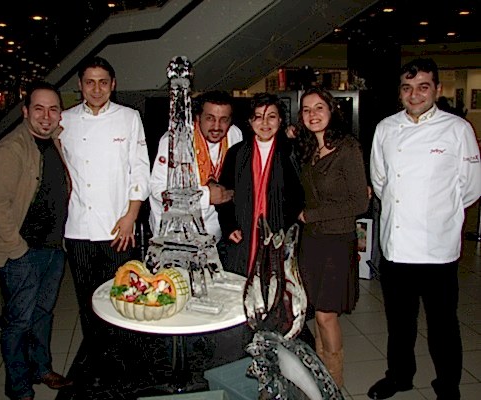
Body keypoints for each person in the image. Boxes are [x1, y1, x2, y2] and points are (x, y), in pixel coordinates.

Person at [368, 58, 481, 400]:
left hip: (438, 249)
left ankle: (448, 385)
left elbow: (471, 188)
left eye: (423, 87)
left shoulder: (458, 129)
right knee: (399, 323)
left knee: (443, 325)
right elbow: (380, 181)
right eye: (407, 88)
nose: (414, 95)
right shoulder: (386, 128)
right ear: (399, 92)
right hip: (397, 246)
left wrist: (438, 214)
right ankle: (399, 376)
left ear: (437, 89)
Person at [0, 81, 72, 400]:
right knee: (18, 322)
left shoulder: (54, 142)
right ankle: (18, 387)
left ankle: (41, 368)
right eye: (39, 109)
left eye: (53, 109)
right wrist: (19, 252)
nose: (46, 116)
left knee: (43, 315)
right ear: (25, 111)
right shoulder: (10, 149)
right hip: (23, 252)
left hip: (53, 249)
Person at [59, 57, 150, 359]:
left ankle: (125, 356)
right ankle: (97, 358)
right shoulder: (64, 120)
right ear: (80, 85)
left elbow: (140, 170)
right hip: (78, 228)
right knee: (87, 300)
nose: (96, 89)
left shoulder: (129, 117)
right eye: (89, 82)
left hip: (118, 227)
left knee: (122, 296)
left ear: (113, 85)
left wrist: (131, 216)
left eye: (102, 82)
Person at [295, 86, 369, 388]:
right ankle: (321, 378)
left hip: (337, 241)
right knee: (317, 312)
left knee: (326, 315)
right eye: (306, 110)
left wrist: (312, 215)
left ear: (331, 111)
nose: (312, 114)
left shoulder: (347, 148)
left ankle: (334, 383)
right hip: (311, 241)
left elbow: (360, 203)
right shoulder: (308, 148)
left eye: (319, 108)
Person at [149, 90, 243, 268]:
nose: (217, 126)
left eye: (224, 119)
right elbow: (157, 189)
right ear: (198, 117)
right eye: (210, 118)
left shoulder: (235, 136)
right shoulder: (174, 141)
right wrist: (206, 196)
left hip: (214, 236)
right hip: (175, 237)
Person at [217, 92, 304, 277]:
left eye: (271, 116)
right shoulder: (236, 153)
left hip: (280, 235)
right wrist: (229, 226)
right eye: (258, 117)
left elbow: (299, 196)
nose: (265, 123)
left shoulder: (291, 152)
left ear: (280, 120)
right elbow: (224, 194)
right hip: (242, 232)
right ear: (250, 121)